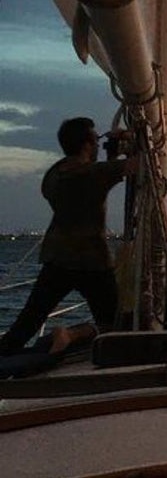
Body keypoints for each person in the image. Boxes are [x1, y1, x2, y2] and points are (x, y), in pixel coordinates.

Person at [0, 117, 136, 356]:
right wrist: (131, 140)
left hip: (57, 257)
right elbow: (138, 165)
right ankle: (71, 335)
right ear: (86, 145)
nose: (98, 145)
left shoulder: (53, 175)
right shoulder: (92, 174)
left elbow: (97, 179)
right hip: (92, 261)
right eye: (95, 140)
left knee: (26, 324)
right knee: (114, 325)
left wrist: (111, 157)